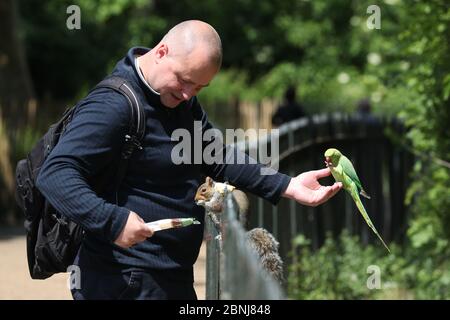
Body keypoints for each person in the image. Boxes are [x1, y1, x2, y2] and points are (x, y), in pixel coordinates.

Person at [36, 20, 342, 300]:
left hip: (170, 277)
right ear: (162, 52)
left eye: (198, 87)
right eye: (184, 81)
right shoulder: (112, 106)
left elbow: (217, 155)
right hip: (124, 279)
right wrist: (112, 221)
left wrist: (288, 185)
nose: (187, 94)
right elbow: (56, 173)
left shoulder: (180, 101)